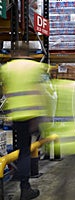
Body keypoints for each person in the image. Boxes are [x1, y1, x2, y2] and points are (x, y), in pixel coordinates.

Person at [0, 42, 48, 200]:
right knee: (26, 151)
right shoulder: (34, 67)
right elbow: (38, 90)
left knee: (22, 150)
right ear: (29, 52)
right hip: (32, 114)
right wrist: (41, 113)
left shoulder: (7, 68)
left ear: (14, 52)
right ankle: (25, 188)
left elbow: (5, 90)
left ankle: (21, 180)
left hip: (15, 114)